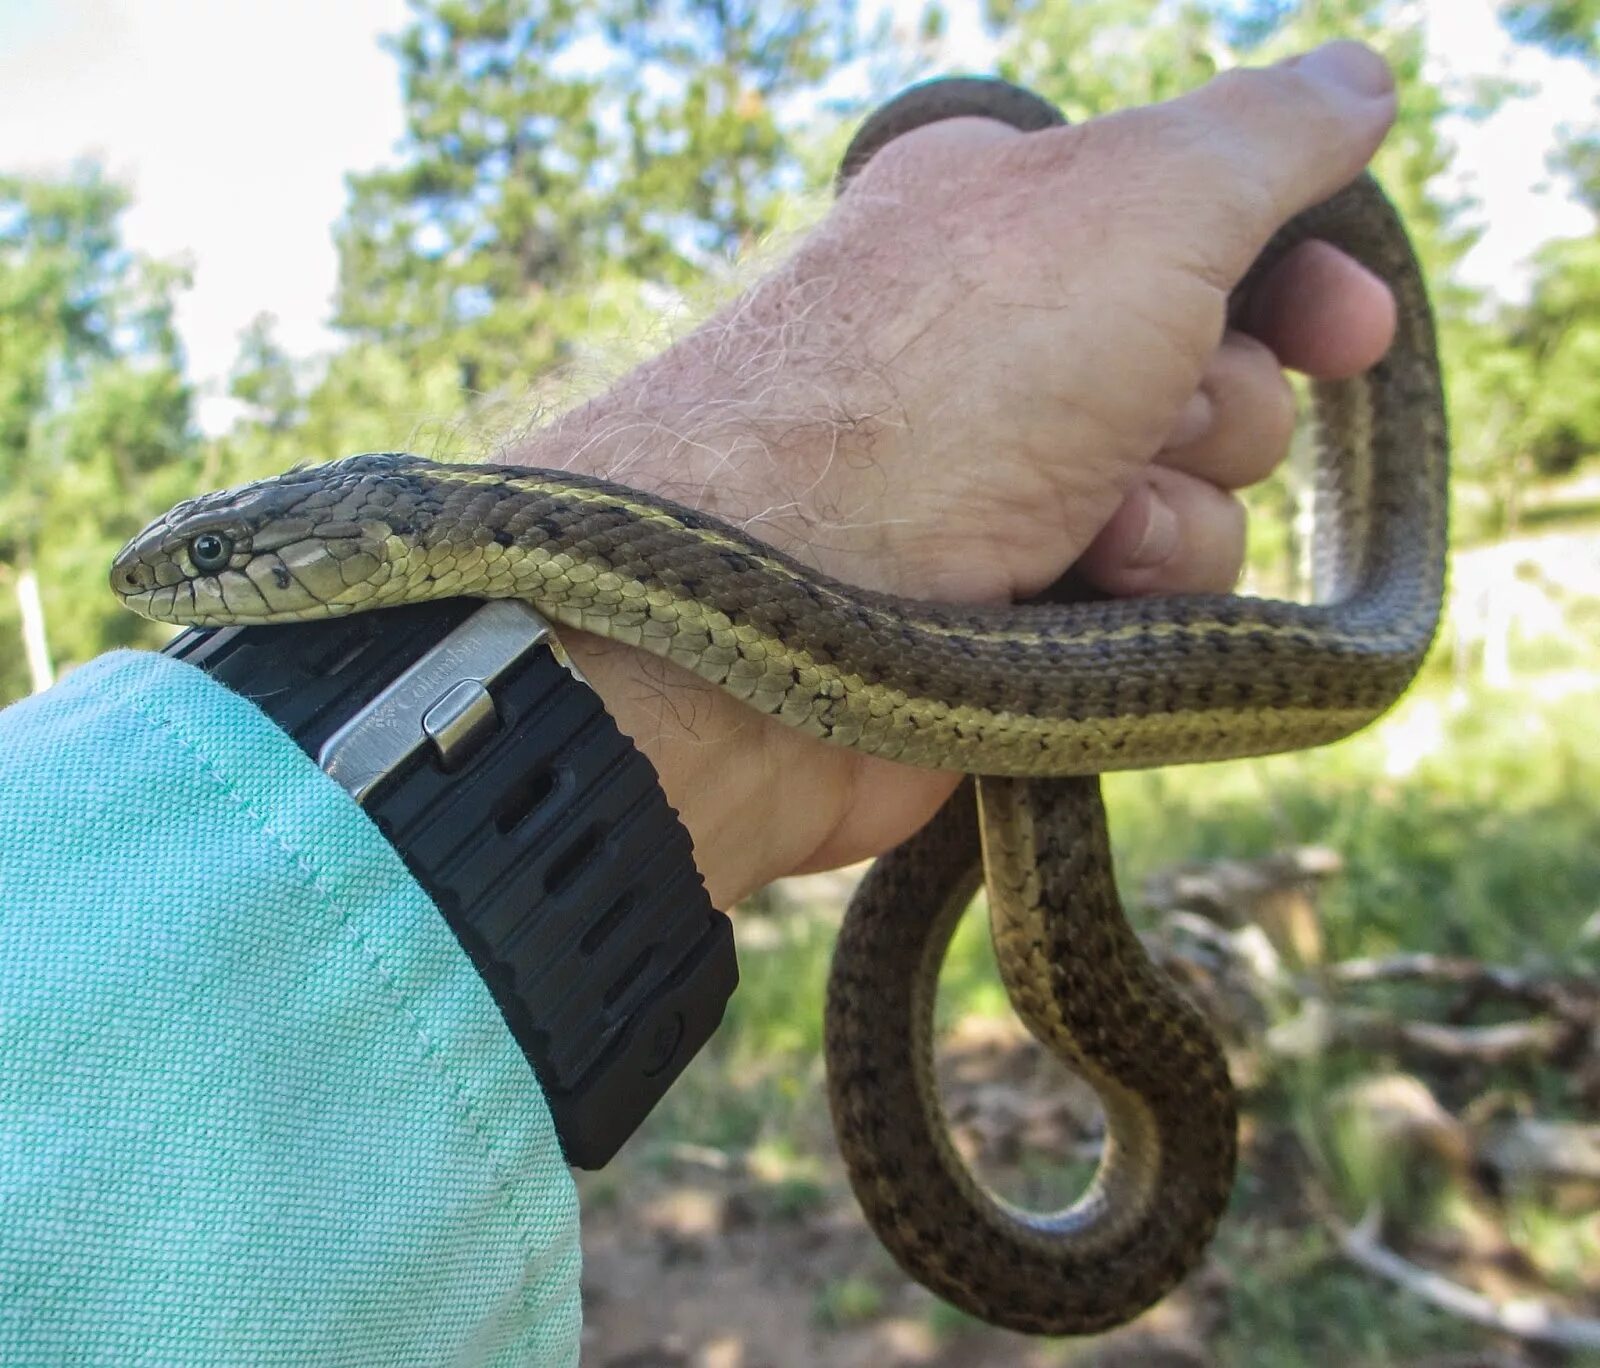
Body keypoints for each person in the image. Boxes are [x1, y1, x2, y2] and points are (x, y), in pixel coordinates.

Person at [0, 42, 1403, 1366]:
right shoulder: (476, 534)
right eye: (209, 561)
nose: (188, 586)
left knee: (1335, 603)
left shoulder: (500, 531)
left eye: (218, 562)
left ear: (360, 541)